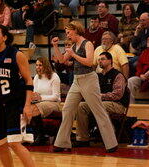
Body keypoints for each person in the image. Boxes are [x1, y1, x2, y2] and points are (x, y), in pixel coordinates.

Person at [51, 21, 118, 153]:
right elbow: (62, 60)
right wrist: (55, 46)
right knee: (67, 109)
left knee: (98, 110)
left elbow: (89, 62)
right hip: (77, 80)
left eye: (68, 32)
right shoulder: (74, 45)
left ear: (76, 30)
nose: (67, 35)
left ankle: (111, 143)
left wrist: (74, 54)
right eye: (66, 33)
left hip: (89, 79)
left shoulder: (87, 44)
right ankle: (62, 142)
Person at [0, 24, 35, 167]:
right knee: (0, 144)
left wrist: (28, 105)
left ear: (4, 37)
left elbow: (28, 80)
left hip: (15, 104)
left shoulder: (16, 54)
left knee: (14, 143)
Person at [75, 52, 129, 146]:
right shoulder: (96, 76)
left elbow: (117, 95)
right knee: (81, 106)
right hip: (99, 102)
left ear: (110, 61)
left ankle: (109, 139)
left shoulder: (118, 75)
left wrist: (100, 96)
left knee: (101, 106)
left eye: (103, 59)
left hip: (117, 104)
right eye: (99, 59)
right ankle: (82, 139)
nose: (100, 61)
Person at [30, 57, 61, 145]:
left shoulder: (54, 77)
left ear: (46, 66)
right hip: (40, 102)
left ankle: (41, 136)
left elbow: (55, 97)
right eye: (36, 65)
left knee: (35, 108)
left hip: (54, 103)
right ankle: (31, 134)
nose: (38, 67)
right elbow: (35, 93)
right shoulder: (36, 77)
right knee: (27, 106)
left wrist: (41, 98)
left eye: (40, 65)